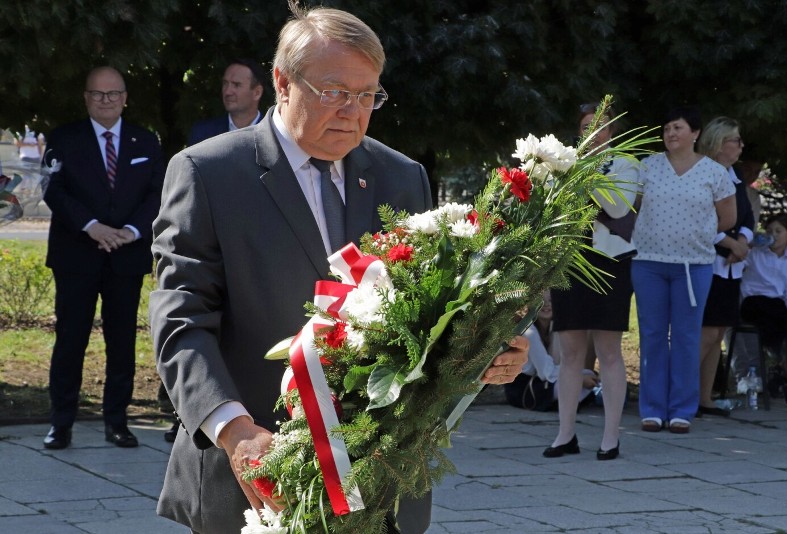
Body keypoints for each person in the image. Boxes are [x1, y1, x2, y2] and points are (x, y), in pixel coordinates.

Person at [149, 4, 529, 533]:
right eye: (334, 92)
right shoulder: (208, 173)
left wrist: (485, 351)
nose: (353, 111)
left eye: (368, 95)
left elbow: (427, 315)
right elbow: (182, 321)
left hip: (383, 484)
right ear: (282, 81)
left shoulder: (402, 177)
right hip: (256, 477)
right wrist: (235, 431)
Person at [41, 66, 165, 450]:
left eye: (113, 94)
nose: (106, 100)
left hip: (126, 257)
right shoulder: (63, 139)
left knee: (122, 342)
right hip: (77, 255)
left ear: (125, 97)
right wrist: (91, 226)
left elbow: (158, 193)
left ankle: (118, 422)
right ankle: (60, 424)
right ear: (86, 97)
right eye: (98, 94)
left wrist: (129, 232)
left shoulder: (145, 142)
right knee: (70, 341)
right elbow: (54, 191)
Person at [632, 106, 736, 435]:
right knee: (651, 336)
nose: (671, 134)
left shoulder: (713, 173)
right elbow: (630, 209)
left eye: (678, 128)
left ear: (695, 134)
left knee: (687, 338)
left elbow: (728, 219)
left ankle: (681, 410)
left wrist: (698, 235)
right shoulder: (646, 168)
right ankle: (651, 409)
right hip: (648, 263)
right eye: (666, 129)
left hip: (694, 267)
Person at [545, 103, 637, 460]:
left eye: (600, 126)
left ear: (611, 132)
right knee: (570, 353)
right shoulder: (562, 164)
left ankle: (610, 437)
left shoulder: (624, 164)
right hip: (571, 261)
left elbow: (617, 209)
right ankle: (564, 434)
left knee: (608, 351)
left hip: (609, 263)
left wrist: (587, 176)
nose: (592, 133)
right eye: (586, 127)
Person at [695, 117, 755, 417]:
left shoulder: (736, 174)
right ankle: (682, 393)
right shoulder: (704, 172)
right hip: (709, 261)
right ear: (720, 143)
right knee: (706, 332)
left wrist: (743, 240)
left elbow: (746, 217)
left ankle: (704, 398)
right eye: (736, 140)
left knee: (718, 333)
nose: (741, 145)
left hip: (732, 267)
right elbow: (701, 218)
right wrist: (730, 245)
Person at [740, 213, 787, 409]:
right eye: (770, 231)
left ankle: (786, 373)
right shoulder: (756, 254)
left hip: (777, 305)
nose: (773, 235)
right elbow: (738, 264)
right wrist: (749, 245)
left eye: (778, 231)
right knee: (784, 321)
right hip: (754, 302)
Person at [186, 58, 266, 146]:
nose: (228, 92)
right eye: (225, 83)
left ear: (257, 93)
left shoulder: (274, 135)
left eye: (236, 85)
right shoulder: (203, 133)